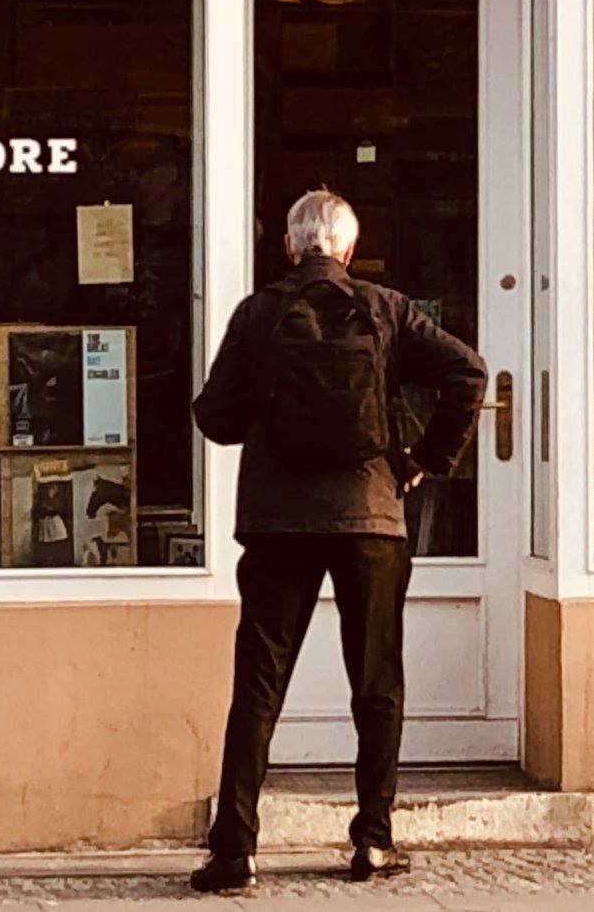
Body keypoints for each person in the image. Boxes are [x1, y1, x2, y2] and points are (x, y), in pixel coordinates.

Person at [189, 190, 486, 893]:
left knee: (258, 685)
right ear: (347, 249)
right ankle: (373, 841)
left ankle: (234, 849)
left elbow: (215, 417)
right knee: (376, 680)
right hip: (371, 516)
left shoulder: (259, 312)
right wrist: (422, 458)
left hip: (276, 520)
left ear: (291, 246)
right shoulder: (385, 309)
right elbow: (467, 371)